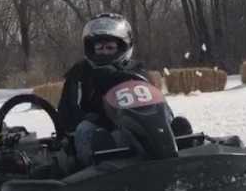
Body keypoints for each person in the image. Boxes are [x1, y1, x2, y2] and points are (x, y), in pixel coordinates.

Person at [58, 13, 192, 166]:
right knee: (84, 130)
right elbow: (67, 116)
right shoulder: (79, 74)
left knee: (165, 117)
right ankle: (100, 164)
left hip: (134, 129)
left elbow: (155, 103)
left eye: (110, 47)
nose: (104, 52)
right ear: (91, 49)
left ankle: (176, 143)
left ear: (123, 47)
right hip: (103, 132)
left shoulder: (136, 71)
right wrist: (92, 117)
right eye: (99, 48)